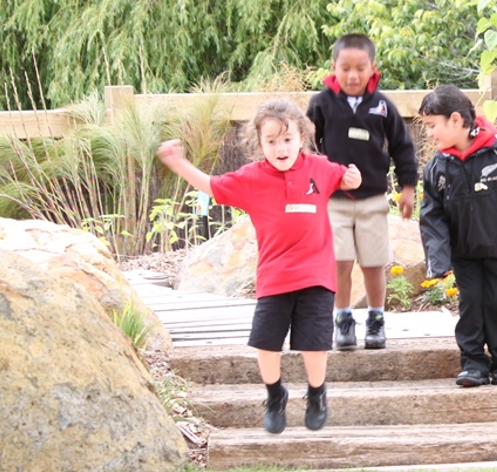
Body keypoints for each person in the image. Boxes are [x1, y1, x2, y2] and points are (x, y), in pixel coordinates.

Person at [156, 99, 361, 433]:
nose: (280, 148)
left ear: (302, 137)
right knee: (266, 343)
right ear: (259, 142)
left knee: (315, 343)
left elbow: (346, 178)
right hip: (275, 278)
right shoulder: (251, 178)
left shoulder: (320, 168)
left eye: (287, 139)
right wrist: (178, 163)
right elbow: (211, 185)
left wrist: (353, 177)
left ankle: (316, 393)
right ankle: (275, 395)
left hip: (317, 275)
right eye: (271, 141)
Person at [417, 84, 497, 387]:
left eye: (433, 126)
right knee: (471, 305)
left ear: (457, 120)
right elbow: (431, 217)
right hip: (465, 255)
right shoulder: (438, 167)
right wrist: (439, 257)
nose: (430, 133)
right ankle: (472, 362)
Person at [307, 33, 418, 351]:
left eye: (360, 68)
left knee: (373, 263)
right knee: (339, 262)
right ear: (333, 67)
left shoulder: (383, 106)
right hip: (334, 202)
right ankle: (342, 319)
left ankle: (376, 319)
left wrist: (407, 188)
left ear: (373, 68)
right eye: (345, 68)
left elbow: (403, 147)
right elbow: (307, 148)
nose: (352, 75)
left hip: (372, 201)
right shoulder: (321, 103)